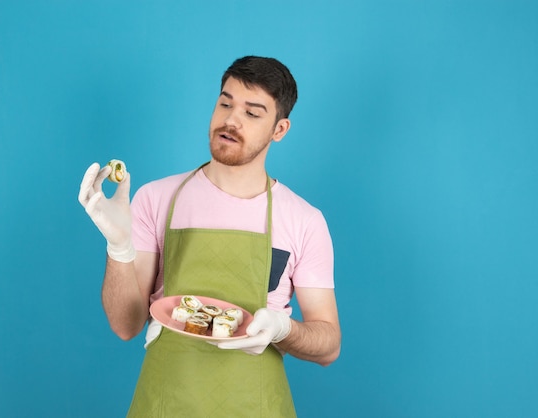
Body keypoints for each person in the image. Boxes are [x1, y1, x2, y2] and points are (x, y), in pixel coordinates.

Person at [78, 56, 341, 417]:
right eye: (225, 102)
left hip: (257, 406)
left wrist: (282, 329)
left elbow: (328, 346)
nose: (231, 120)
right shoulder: (157, 198)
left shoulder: (304, 220)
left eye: (252, 112)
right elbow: (126, 325)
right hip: (165, 404)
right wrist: (118, 247)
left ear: (279, 129)